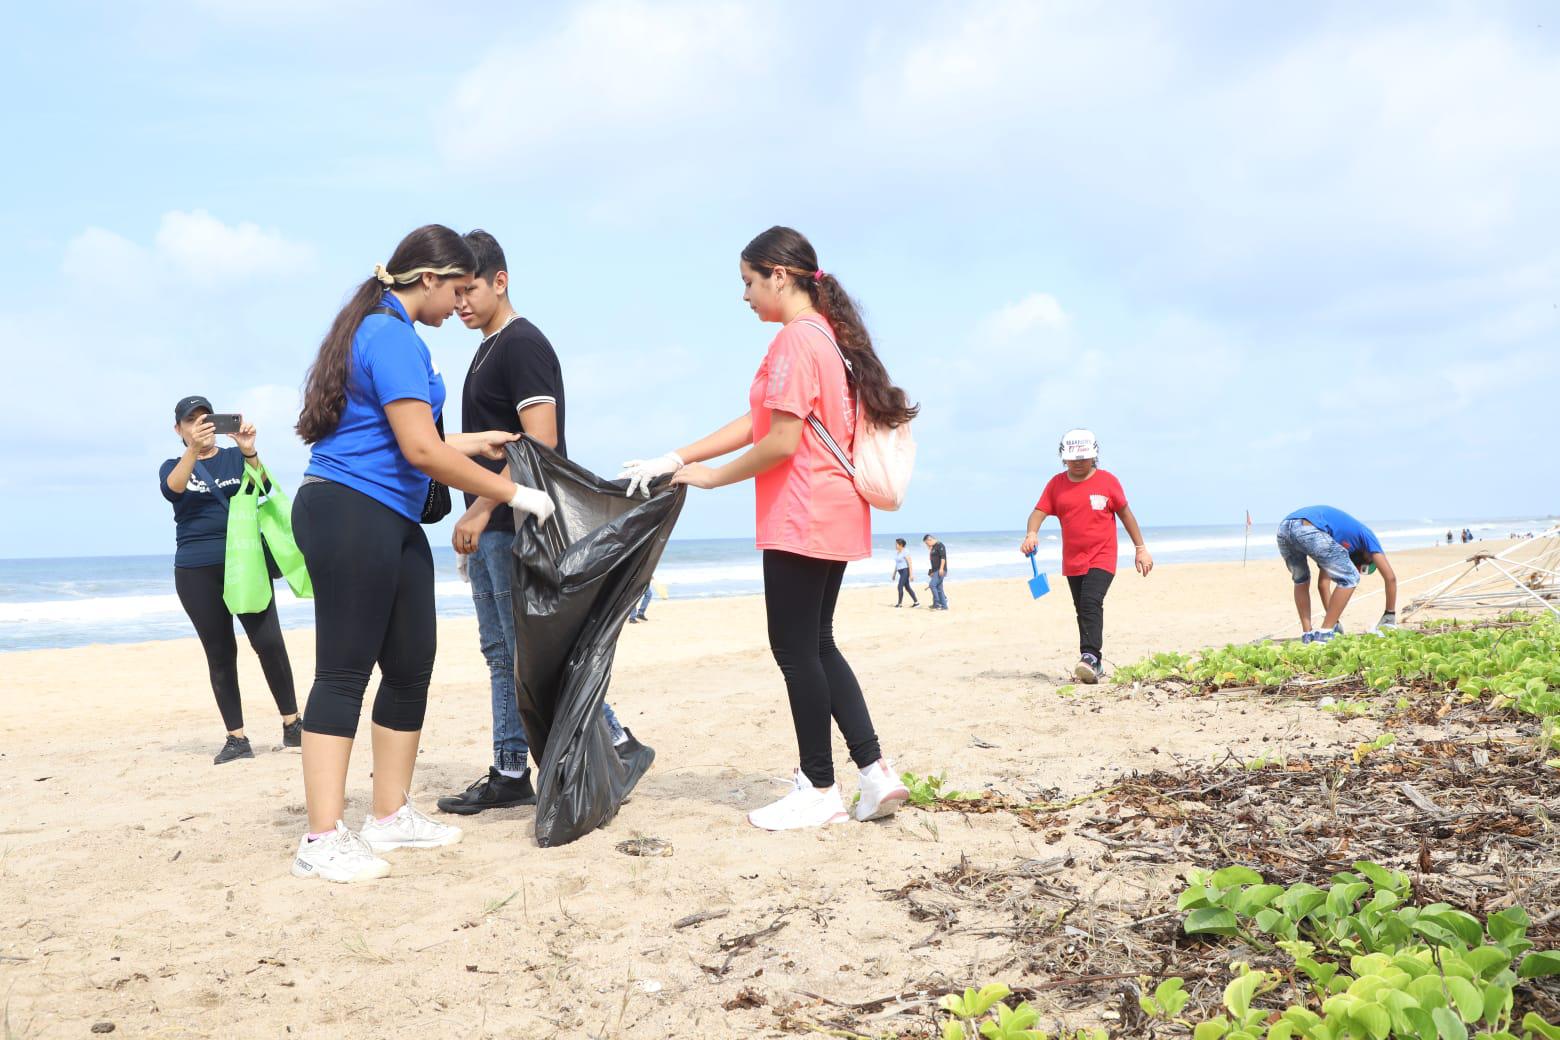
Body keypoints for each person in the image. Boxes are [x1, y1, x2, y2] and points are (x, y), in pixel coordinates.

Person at [619, 225, 913, 831]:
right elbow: (761, 421)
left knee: (794, 649)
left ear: (779, 275)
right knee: (818, 643)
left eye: (749, 282)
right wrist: (678, 457)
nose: (745, 295)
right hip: (832, 510)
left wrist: (711, 478)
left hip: (801, 511)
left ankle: (818, 786)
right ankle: (874, 771)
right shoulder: (826, 338)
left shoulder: (794, 343)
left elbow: (779, 442)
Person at [288, 224, 558, 884]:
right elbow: (420, 450)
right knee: (345, 671)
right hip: (349, 508)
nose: (459, 305)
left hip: (394, 515)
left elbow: (422, 439)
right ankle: (321, 836)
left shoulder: (398, 337)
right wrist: (516, 494)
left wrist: (480, 441)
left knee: (410, 664)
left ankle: (389, 815)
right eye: (457, 289)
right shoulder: (387, 335)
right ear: (429, 279)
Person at [436, 230, 650, 817]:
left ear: (500, 281)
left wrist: (481, 508)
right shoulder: (485, 349)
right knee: (502, 652)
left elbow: (541, 442)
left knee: (528, 655)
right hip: (493, 525)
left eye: (469, 290)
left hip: (514, 524)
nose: (460, 304)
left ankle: (606, 746)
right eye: (453, 294)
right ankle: (513, 765)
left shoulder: (522, 344)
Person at [160, 397, 299, 764]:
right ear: (179, 429)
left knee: (269, 642)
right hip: (194, 570)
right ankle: (237, 738)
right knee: (220, 652)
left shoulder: (236, 457)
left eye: (204, 418)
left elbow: (266, 489)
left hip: (245, 561)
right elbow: (173, 489)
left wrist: (250, 452)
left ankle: (293, 724)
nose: (199, 425)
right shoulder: (173, 465)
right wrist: (192, 451)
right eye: (190, 421)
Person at [1019, 428, 1153, 684]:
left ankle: (1090, 656)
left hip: (1103, 556)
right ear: (1064, 457)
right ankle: (1094, 662)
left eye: (1084, 457)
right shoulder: (1056, 484)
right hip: (1073, 560)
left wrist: (1140, 548)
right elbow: (1038, 512)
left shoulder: (1108, 481)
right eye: (1073, 458)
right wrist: (1031, 534)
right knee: (1082, 608)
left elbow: (1126, 515)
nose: (1078, 462)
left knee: (1091, 601)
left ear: (1094, 456)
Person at [1275, 505, 1399, 642]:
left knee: (1301, 580)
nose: (1361, 565)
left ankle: (1307, 634)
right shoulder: (1367, 535)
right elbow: (1390, 578)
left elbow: (1323, 584)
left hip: (1284, 528)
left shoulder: (1338, 545)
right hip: (1310, 528)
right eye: (1365, 565)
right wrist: (1390, 614)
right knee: (1350, 578)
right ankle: (1324, 634)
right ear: (1370, 556)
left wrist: (1335, 621)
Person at [923, 534, 949, 610]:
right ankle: (944, 606)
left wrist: (941, 568)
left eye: (927, 543)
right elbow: (933, 561)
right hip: (935, 571)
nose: (927, 545)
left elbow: (943, 558)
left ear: (929, 539)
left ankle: (937, 603)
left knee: (932, 585)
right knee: (939, 588)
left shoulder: (940, 545)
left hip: (940, 570)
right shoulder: (933, 547)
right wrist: (931, 571)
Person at [892, 538, 918, 607]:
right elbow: (897, 564)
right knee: (907, 588)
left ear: (901, 545)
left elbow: (909, 563)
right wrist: (894, 574)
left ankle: (899, 604)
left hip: (905, 571)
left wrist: (911, 574)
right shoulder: (897, 553)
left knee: (900, 586)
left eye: (896, 544)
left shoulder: (905, 551)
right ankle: (916, 602)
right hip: (900, 572)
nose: (895, 545)